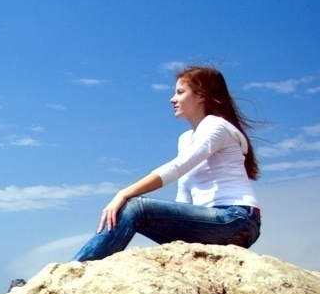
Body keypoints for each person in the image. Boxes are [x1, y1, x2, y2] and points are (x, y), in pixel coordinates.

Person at [71, 65, 261, 262]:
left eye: (180, 92)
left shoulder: (216, 126)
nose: (173, 99)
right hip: (212, 225)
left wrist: (123, 193)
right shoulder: (186, 138)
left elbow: (178, 167)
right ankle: (87, 270)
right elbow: (184, 197)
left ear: (202, 95)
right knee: (138, 213)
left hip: (236, 220)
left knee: (136, 208)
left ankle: (77, 269)